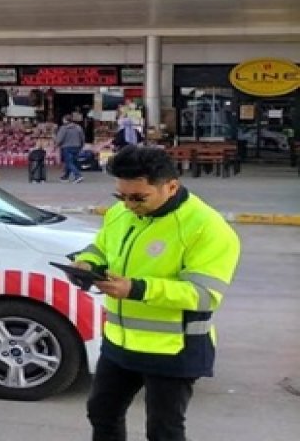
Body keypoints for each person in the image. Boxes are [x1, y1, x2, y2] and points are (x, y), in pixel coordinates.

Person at [72, 146, 240, 441]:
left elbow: (202, 295)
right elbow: (101, 247)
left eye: (138, 198)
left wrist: (135, 289)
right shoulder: (120, 213)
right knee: (102, 412)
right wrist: (88, 264)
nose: (128, 205)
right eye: (121, 196)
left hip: (174, 347)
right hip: (120, 341)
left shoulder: (208, 228)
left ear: (171, 186)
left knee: (163, 431)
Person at [55, 113, 86, 183]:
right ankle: (65, 176)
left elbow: (59, 139)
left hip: (67, 147)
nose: (62, 121)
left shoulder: (63, 128)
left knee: (69, 162)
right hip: (77, 147)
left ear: (66, 120)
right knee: (72, 162)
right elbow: (82, 137)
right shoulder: (78, 127)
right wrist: (81, 145)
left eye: (63, 119)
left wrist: (56, 145)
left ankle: (78, 175)